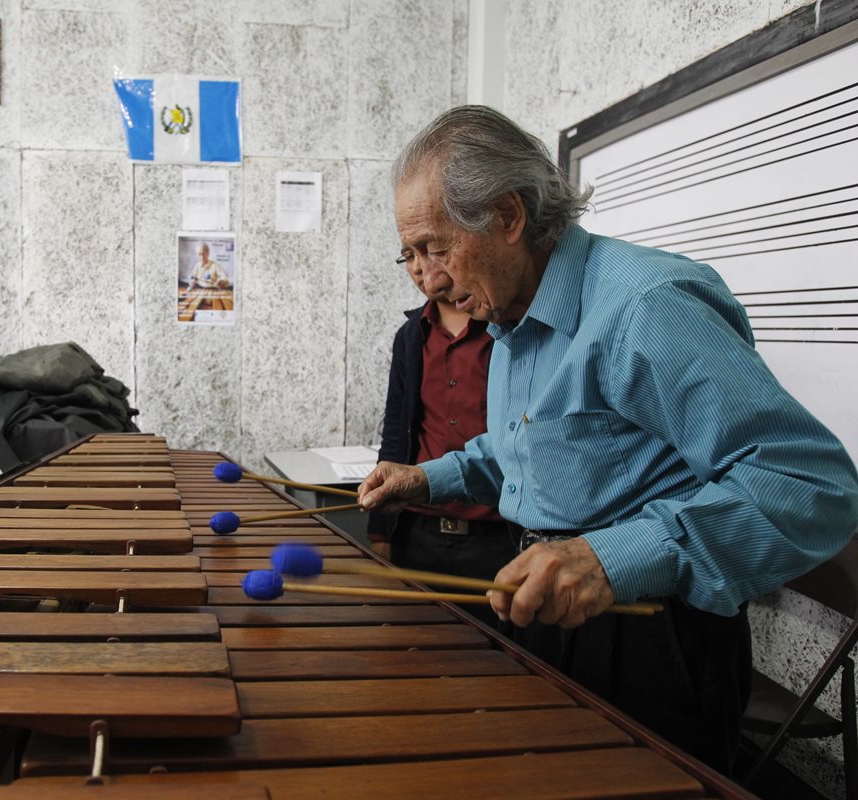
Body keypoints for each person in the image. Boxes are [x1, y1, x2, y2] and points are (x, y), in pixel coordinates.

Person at [358, 105, 858, 772]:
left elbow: (811, 485)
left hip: (652, 632)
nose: (423, 278)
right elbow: (526, 449)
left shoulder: (647, 307)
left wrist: (610, 557)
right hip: (547, 609)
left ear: (508, 217)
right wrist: (427, 477)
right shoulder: (509, 316)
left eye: (436, 248)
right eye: (410, 255)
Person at [367, 244, 516, 624]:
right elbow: (397, 433)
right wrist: (381, 531)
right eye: (408, 257)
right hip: (419, 532)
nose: (420, 268)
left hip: (497, 538)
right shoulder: (410, 335)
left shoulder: (506, 330)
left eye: (430, 251)